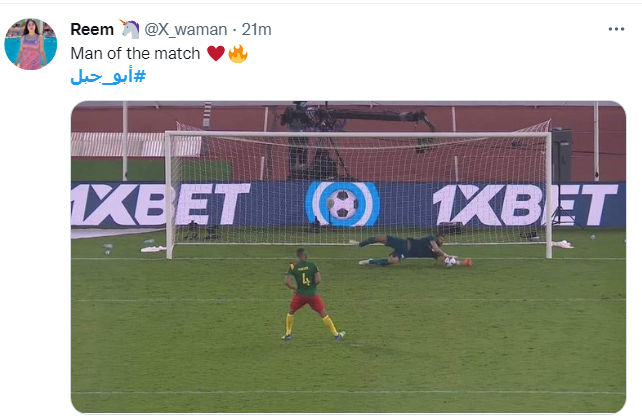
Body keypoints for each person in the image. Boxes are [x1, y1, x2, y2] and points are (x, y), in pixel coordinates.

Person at [282, 248, 345, 341]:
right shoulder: (312, 265)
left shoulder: (293, 266)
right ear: (305, 255)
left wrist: (293, 288)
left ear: (297, 256)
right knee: (323, 313)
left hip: (300, 295)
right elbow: (318, 280)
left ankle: (288, 334)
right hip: (312, 295)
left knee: (291, 311)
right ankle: (336, 335)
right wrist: (311, 286)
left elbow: (286, 282)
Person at [357, 233, 472, 267]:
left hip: (405, 252)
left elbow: (443, 259)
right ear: (436, 237)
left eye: (443, 240)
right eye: (441, 239)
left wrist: (461, 262)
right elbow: (437, 249)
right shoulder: (431, 239)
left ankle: (370, 261)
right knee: (380, 238)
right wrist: (446, 254)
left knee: (393, 261)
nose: (442, 241)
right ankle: (361, 244)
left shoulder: (434, 253)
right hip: (403, 243)